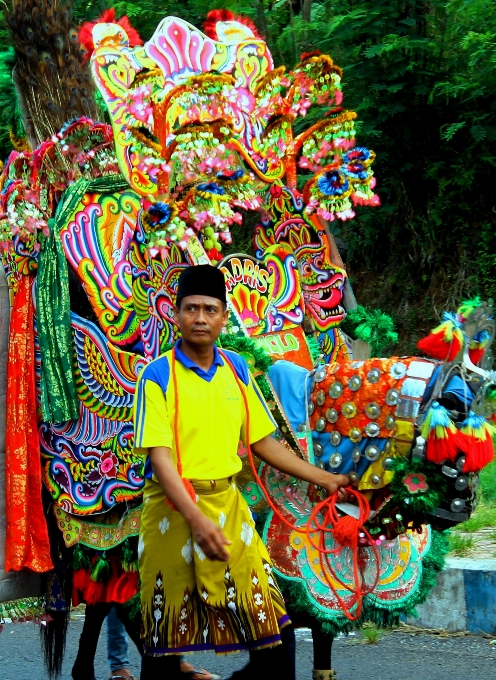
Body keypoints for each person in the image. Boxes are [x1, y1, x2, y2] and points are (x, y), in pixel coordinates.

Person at [133, 265, 350, 680]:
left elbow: (263, 443)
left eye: (209, 309)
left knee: (274, 638)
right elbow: (160, 460)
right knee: (163, 646)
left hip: (229, 508)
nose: (200, 318)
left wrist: (325, 479)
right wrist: (195, 520)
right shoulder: (156, 375)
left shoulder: (236, 368)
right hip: (172, 515)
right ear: (176, 315)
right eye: (191, 308)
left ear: (224, 315)